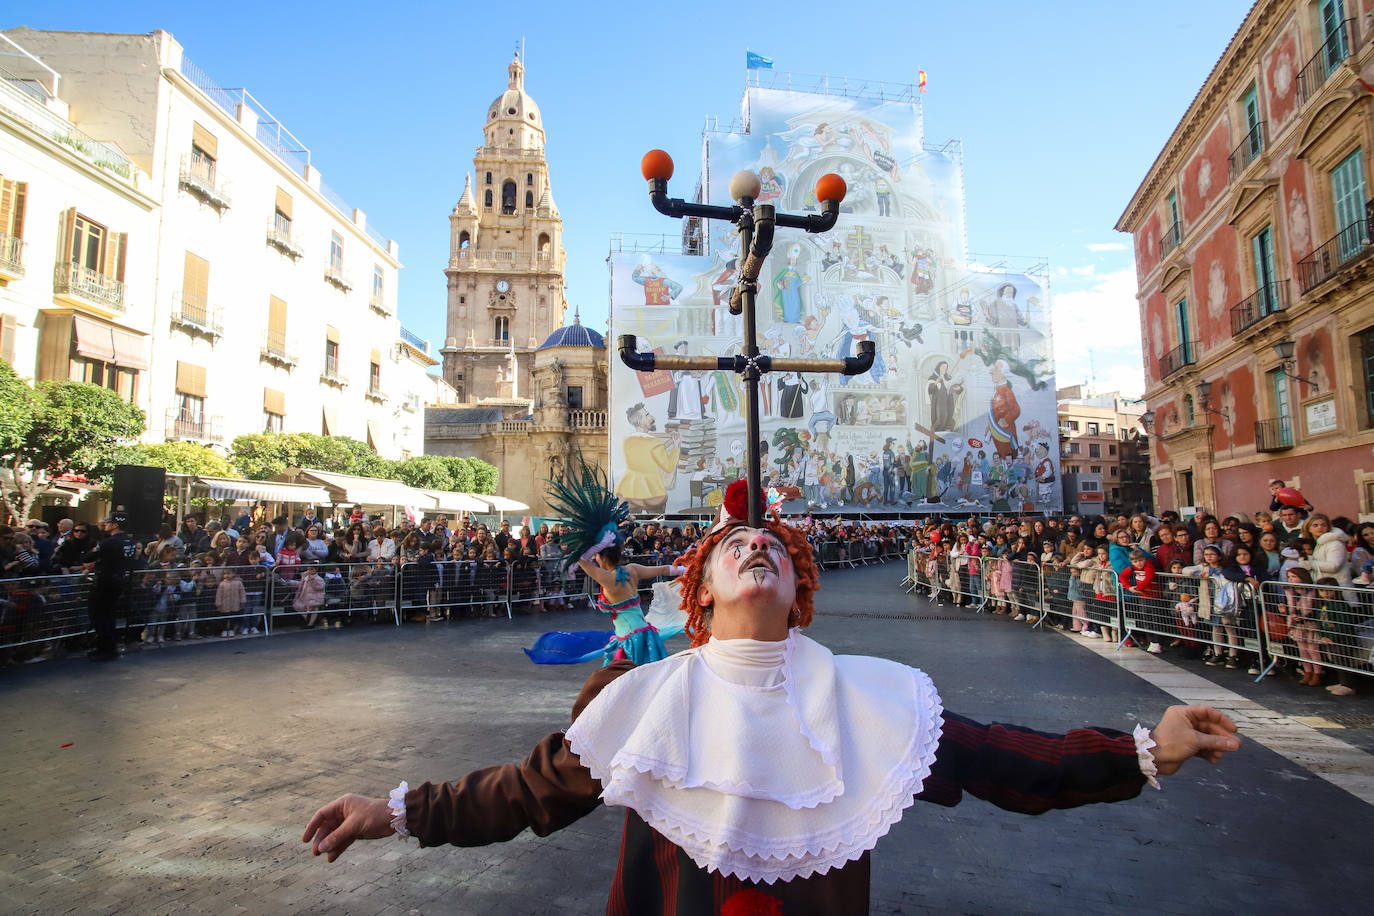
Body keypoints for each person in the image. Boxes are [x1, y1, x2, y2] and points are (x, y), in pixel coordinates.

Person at [304, 496, 1242, 911]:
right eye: (732, 545)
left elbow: (1005, 760)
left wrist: (1143, 750)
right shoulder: (645, 697)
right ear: (699, 591)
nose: (755, 549)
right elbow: (524, 790)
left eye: (774, 549)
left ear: (801, 590)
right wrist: (391, 813)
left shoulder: (873, 697)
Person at [84, 512, 137, 662]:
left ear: (115, 525)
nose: (105, 525)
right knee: (109, 615)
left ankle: (106, 648)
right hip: (119, 580)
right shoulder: (130, 542)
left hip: (105, 581)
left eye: (109, 522)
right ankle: (108, 647)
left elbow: (88, 557)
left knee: (98, 615)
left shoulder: (110, 542)